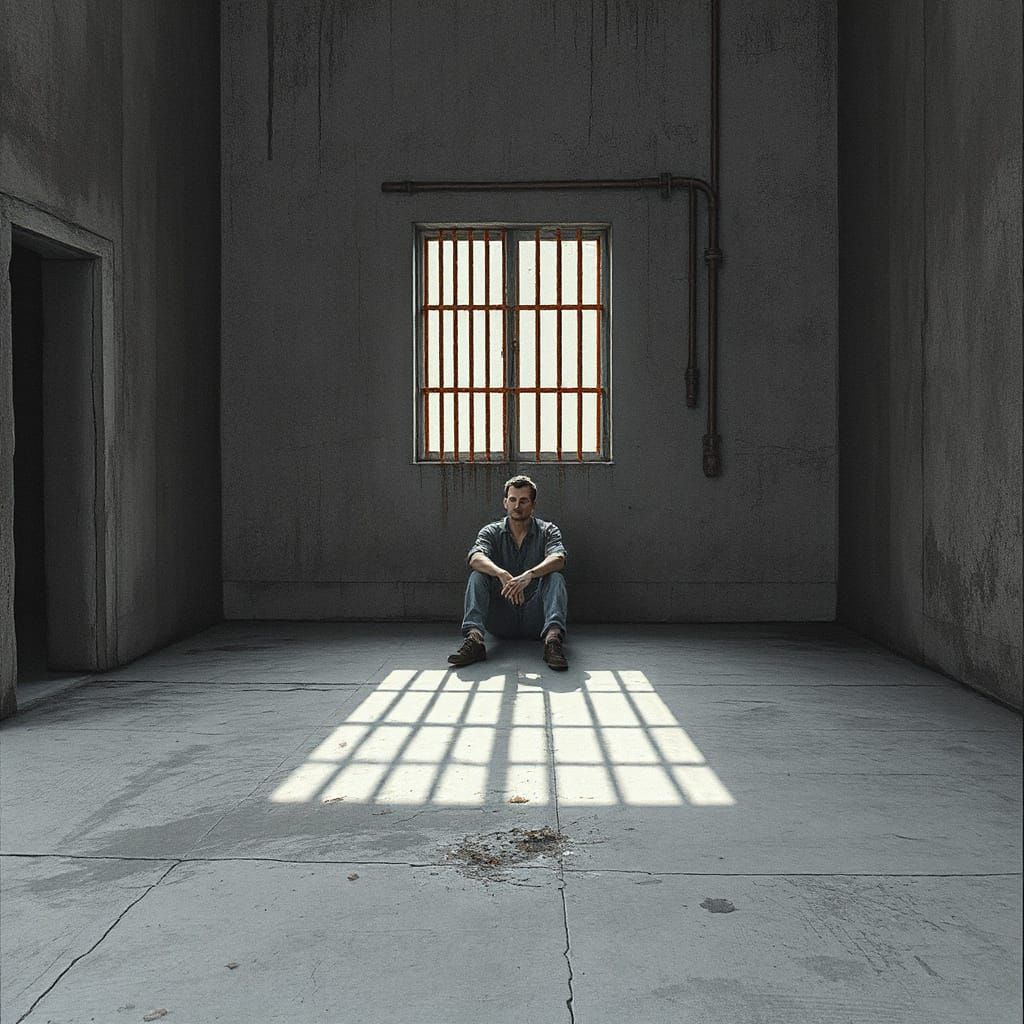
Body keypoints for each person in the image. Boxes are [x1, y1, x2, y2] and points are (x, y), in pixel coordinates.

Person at [448, 474, 569, 670]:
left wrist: (530, 574)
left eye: (523, 501)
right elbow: (475, 557)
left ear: (533, 504)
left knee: (555, 577)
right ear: (505, 502)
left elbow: (558, 558)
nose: (517, 506)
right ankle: (475, 640)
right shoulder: (491, 531)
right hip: (501, 617)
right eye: (512, 500)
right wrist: (500, 573)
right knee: (478, 575)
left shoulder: (548, 530)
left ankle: (553, 642)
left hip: (536, 618)